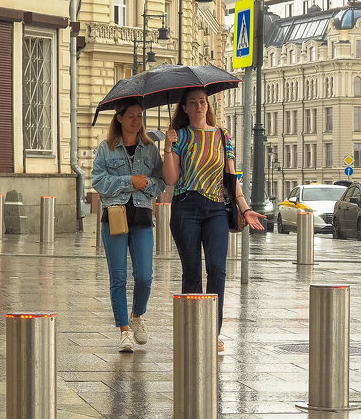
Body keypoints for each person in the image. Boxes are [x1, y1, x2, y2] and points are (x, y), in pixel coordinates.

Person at [163, 87, 265, 352]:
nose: (199, 106)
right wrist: (168, 147)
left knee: (218, 269)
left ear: (208, 105)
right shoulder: (181, 136)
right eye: (193, 103)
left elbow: (231, 179)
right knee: (192, 272)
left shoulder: (222, 135)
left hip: (217, 209)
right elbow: (171, 179)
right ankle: (191, 331)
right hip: (186, 207)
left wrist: (244, 208)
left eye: (202, 101)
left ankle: (211, 333)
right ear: (184, 108)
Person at [92, 100, 165, 353]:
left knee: (145, 276)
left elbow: (160, 181)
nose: (137, 121)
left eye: (139, 116)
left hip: (142, 216)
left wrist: (146, 185)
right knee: (119, 277)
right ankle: (124, 331)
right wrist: (129, 181)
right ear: (120, 118)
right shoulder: (106, 148)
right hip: (115, 216)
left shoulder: (150, 149)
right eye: (131, 116)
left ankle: (137, 315)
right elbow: (98, 181)